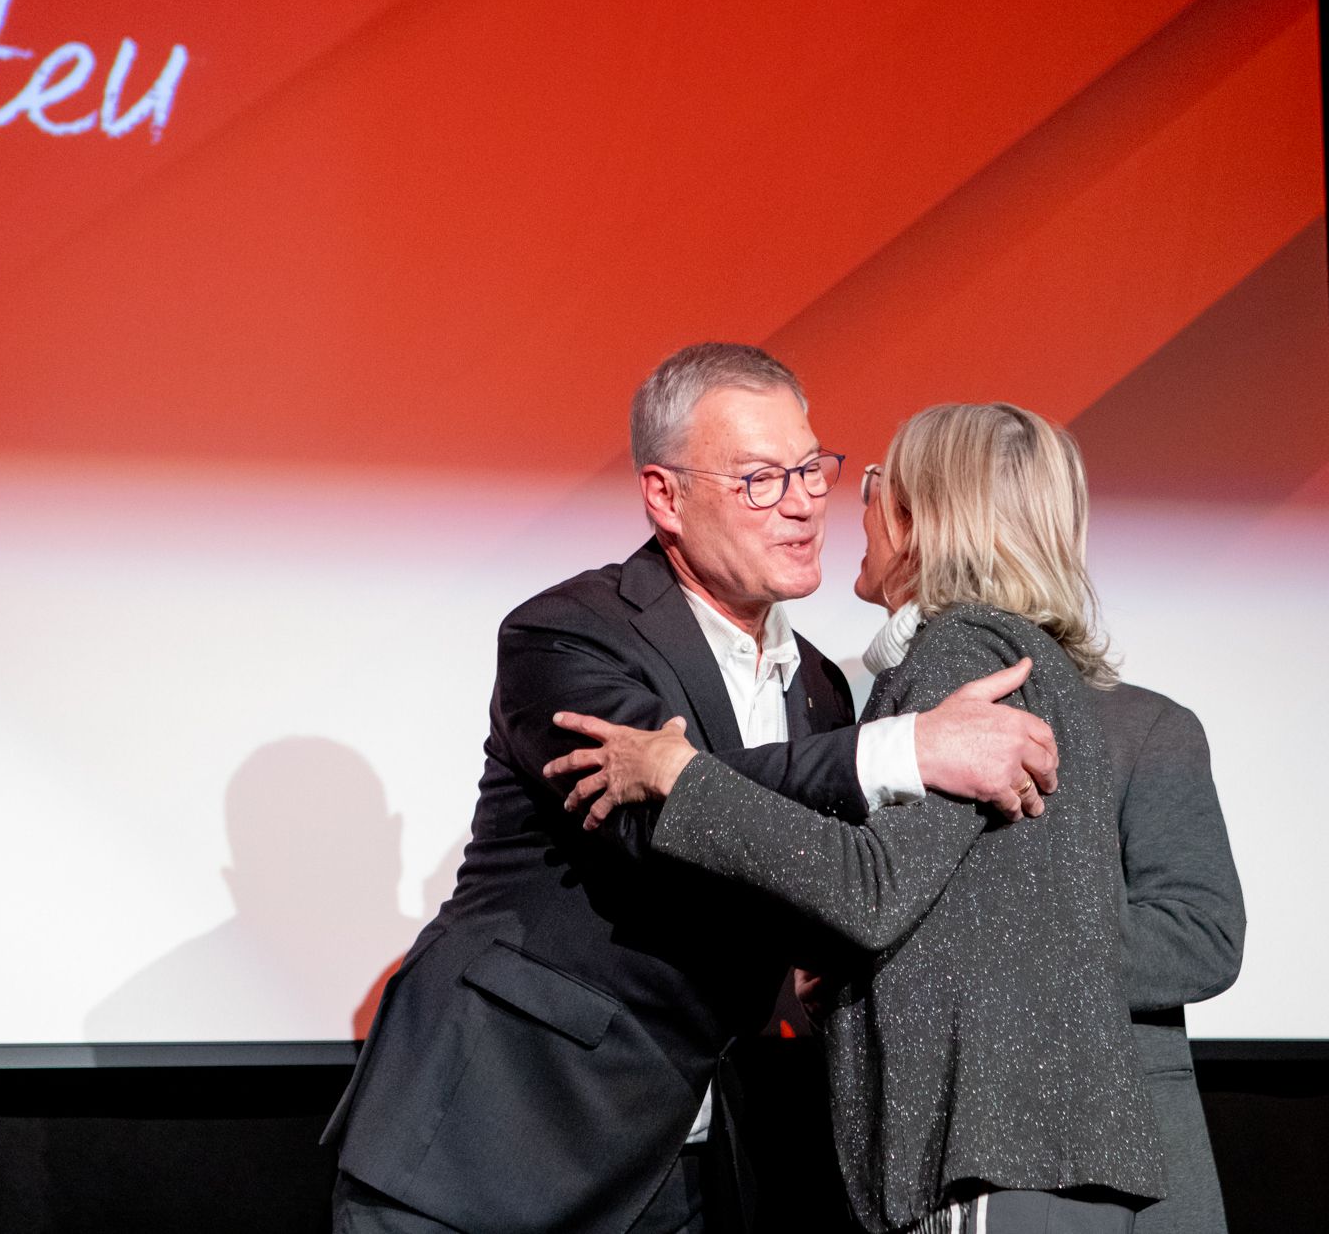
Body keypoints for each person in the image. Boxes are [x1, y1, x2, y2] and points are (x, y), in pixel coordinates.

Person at [323, 346, 1059, 1234]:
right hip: (492, 1142)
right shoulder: (569, 634)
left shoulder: (822, 689)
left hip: (681, 1158)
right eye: (758, 479)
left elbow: (806, 873)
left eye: (809, 468)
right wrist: (906, 747)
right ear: (665, 496)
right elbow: (648, 818)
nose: (802, 503)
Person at [555, 403, 1169, 1234]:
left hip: (993, 1151)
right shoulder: (1026, 657)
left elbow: (872, 890)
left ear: (925, 520)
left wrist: (678, 772)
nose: (845, 507)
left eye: (873, 486)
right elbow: (936, 896)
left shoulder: (963, 652)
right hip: (1037, 1157)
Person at [1100, 681, 1245, 1234]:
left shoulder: (1140, 725)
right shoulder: (867, 726)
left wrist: (1007, 953)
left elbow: (1204, 935)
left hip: (1123, 1152)